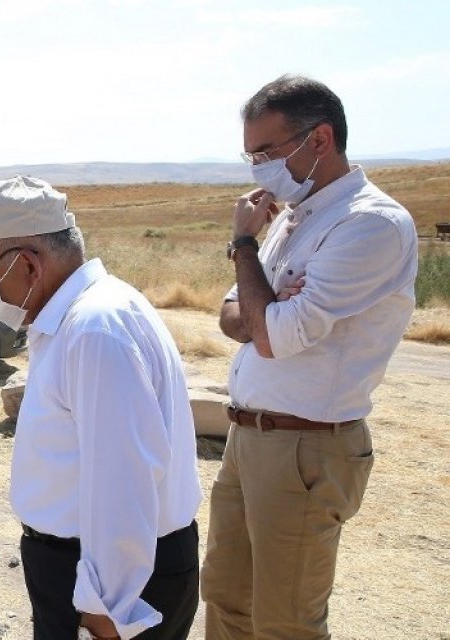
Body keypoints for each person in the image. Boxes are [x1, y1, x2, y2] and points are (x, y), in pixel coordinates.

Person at [201, 74, 418, 639]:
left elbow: (272, 337)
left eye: (268, 151)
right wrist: (264, 307)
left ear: (319, 139)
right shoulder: (292, 216)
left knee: (285, 622)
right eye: (250, 154)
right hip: (248, 438)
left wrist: (243, 247)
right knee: (225, 598)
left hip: (305, 447)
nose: (258, 168)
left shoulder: (369, 224)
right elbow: (232, 319)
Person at [0, 176, 202, 640]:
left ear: (27, 263)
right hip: (86, 566)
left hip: (109, 581)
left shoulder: (95, 330)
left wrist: (107, 609)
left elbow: (126, 477)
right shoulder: (78, 317)